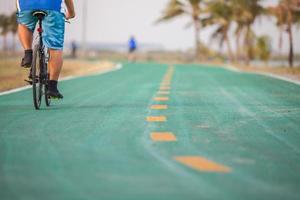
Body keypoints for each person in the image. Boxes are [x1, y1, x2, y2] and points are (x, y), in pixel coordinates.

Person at [16, 0, 75, 99]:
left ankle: (28, 53)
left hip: (26, 4)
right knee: (55, 47)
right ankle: (52, 88)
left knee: (24, 24)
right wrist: (71, 12)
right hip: (51, 5)